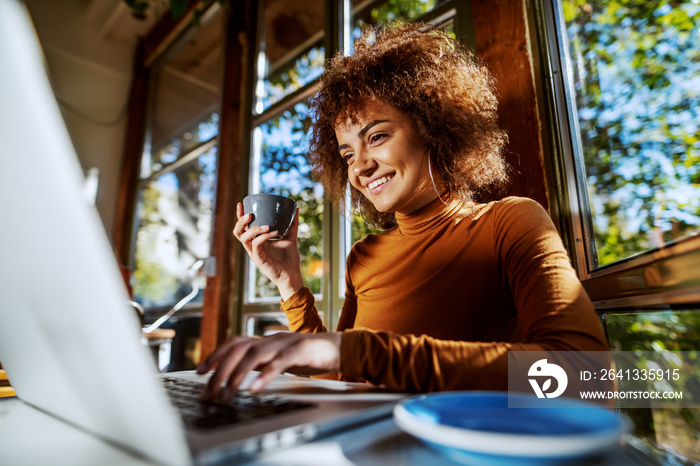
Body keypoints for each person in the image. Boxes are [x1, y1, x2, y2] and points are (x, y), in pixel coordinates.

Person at [198, 22, 608, 400]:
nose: (359, 166)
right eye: (346, 153)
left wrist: (362, 351)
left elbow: (585, 374)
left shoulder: (509, 222)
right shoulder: (364, 256)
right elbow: (340, 381)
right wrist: (290, 284)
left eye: (376, 137)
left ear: (434, 127)